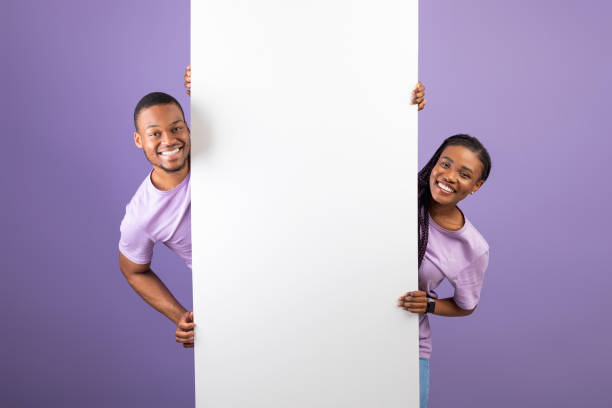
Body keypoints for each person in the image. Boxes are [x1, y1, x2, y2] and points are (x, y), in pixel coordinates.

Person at [118, 67, 427, 350]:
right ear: (138, 140)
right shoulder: (142, 213)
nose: (169, 140)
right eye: (154, 133)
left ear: (189, 128)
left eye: (176, 128)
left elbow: (286, 111)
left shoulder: (223, 150)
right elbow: (133, 270)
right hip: (239, 303)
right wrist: (179, 315)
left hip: (304, 263)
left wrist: (397, 100)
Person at [397, 134, 492, 408]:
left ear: (476, 185)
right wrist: (405, 100)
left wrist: (428, 304)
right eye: (445, 164)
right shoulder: (401, 196)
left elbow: (466, 306)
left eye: (464, 174)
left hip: (406, 346)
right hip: (348, 325)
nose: (449, 176)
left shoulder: (472, 247)